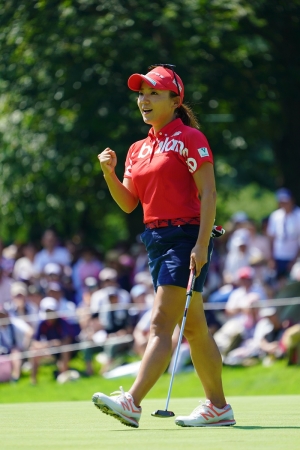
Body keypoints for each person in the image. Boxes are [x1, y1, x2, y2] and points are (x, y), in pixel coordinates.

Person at [92, 64, 235, 428]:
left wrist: (202, 244)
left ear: (175, 100)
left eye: (154, 92)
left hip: (185, 237)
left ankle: (132, 401)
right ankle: (218, 407)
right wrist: (109, 174)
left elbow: (209, 193)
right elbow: (128, 203)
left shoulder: (191, 138)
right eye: (141, 93)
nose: (144, 99)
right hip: (154, 240)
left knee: (160, 324)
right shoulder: (137, 149)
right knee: (195, 330)